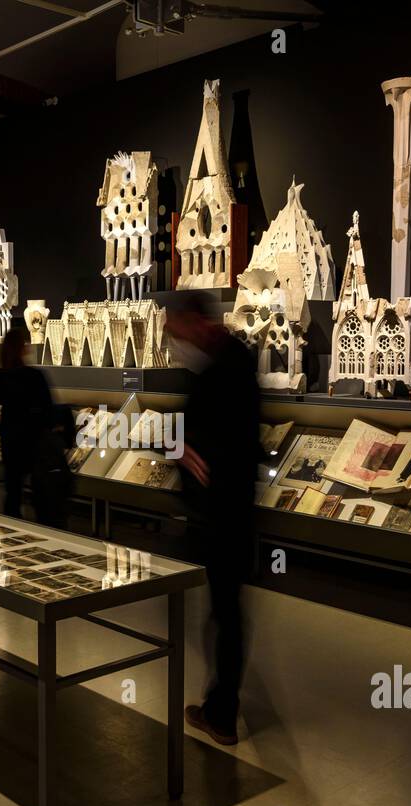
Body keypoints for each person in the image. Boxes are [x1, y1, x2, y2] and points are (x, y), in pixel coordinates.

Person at [166, 294, 261, 746]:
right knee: (226, 609)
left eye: (176, 330)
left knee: (226, 611)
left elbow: (219, 435)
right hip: (228, 507)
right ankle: (221, 702)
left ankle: (222, 712)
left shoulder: (223, 369)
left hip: (224, 509)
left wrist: (186, 450)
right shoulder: (230, 362)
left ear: (195, 322)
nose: (174, 341)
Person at [0, 327, 70, 526]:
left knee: (12, 494)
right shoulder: (35, 376)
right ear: (22, 349)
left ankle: (13, 534)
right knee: (41, 494)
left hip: (11, 445)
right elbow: (48, 412)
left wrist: (6, 426)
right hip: (36, 445)